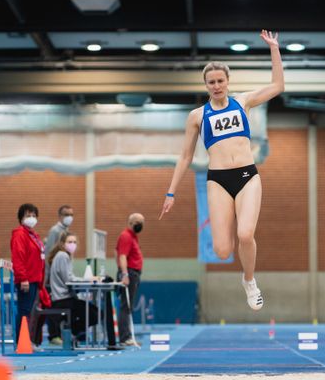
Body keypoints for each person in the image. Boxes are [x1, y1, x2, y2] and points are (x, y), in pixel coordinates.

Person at [159, 30, 284, 311]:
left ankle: (249, 281)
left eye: (220, 81)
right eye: (211, 82)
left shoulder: (243, 102)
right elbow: (185, 156)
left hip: (246, 176)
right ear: (205, 85)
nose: (216, 86)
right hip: (217, 180)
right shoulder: (197, 116)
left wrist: (274, 49)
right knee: (222, 250)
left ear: (228, 82)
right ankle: (242, 271)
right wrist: (171, 192)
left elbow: (277, 85)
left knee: (245, 234)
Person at [47, 232, 97, 342]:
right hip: (62, 299)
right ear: (63, 244)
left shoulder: (65, 256)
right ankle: (74, 331)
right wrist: (87, 279)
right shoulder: (63, 255)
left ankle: (75, 332)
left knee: (91, 311)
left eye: (74, 242)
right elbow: (69, 280)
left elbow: (70, 277)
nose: (72, 244)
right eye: (69, 242)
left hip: (66, 297)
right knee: (94, 313)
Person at [10, 203, 45, 344]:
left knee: (29, 312)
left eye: (34, 216)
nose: (31, 218)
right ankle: (21, 342)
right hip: (27, 280)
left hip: (35, 279)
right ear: (21, 218)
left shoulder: (34, 235)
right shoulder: (20, 234)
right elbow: (18, 257)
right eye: (28, 215)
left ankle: (26, 341)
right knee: (24, 311)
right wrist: (23, 278)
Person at [44, 204, 74, 344]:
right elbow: (49, 253)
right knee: (52, 305)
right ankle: (53, 335)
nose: (69, 217)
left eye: (71, 214)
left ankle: (60, 334)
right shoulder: (55, 231)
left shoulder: (66, 231)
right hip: (51, 277)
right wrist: (48, 277)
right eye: (66, 214)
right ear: (60, 216)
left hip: (59, 276)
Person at [116, 213, 144, 346]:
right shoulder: (126, 236)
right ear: (130, 222)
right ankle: (125, 337)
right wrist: (125, 274)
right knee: (125, 306)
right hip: (130, 274)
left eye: (142, 222)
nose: (140, 224)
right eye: (137, 221)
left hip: (134, 274)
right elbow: (122, 256)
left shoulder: (134, 237)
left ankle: (127, 336)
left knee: (128, 306)